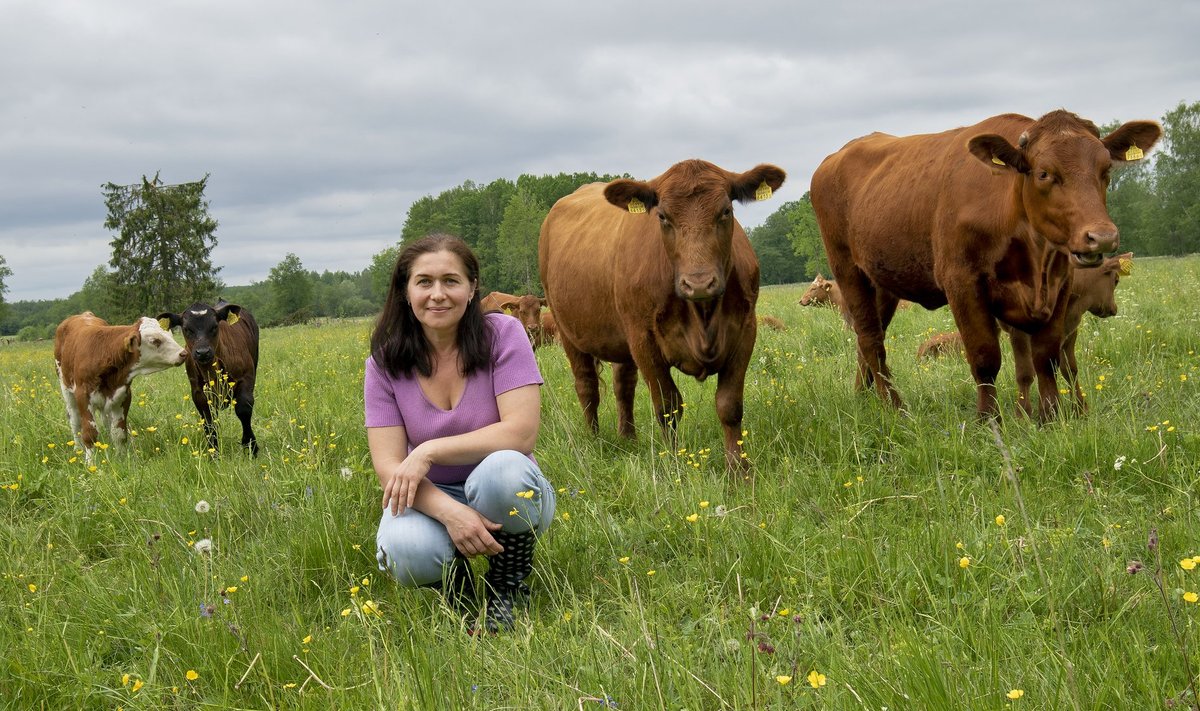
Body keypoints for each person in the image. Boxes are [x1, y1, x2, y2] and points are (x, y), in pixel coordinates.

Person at [365, 233, 555, 632]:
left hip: (506, 487)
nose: (438, 294)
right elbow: (389, 469)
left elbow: (520, 435)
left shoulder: (503, 334)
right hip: (430, 496)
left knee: (503, 470)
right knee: (406, 551)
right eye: (424, 282)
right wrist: (451, 514)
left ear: (472, 289)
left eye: (451, 281)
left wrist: (429, 450)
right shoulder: (384, 362)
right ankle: (460, 592)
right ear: (405, 292)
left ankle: (507, 584)